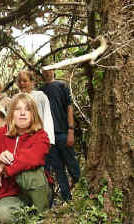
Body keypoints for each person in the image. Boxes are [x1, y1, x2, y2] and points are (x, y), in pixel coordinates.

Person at [0, 93, 52, 223]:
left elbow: (33, 158)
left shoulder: (41, 136)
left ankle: (41, 217)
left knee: (29, 173)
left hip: (37, 194)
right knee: (3, 217)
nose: (23, 113)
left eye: (28, 109)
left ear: (33, 114)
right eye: (18, 109)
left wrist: (5, 167)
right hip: (9, 194)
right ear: (11, 113)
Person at [40, 69, 81, 202]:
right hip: (49, 138)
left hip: (63, 132)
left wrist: (70, 130)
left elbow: (69, 107)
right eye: (44, 70)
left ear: (54, 71)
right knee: (58, 169)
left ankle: (82, 191)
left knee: (72, 164)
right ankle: (67, 199)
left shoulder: (62, 86)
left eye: (49, 70)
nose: (47, 72)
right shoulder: (40, 91)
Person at [16, 70, 55, 145]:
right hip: (21, 139)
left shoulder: (40, 96)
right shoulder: (16, 99)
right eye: (19, 81)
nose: (22, 83)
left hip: (38, 137)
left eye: (25, 81)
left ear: (31, 82)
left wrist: (49, 139)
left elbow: (47, 116)